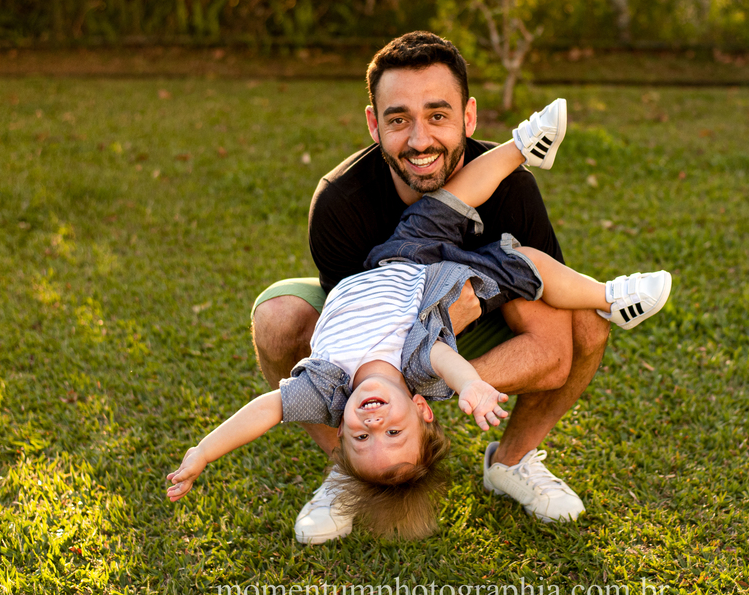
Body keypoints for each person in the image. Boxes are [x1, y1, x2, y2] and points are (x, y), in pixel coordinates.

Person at [166, 98, 671, 541]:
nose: (374, 423)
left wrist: (203, 452)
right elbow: (443, 358)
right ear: (420, 409)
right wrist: (470, 386)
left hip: (396, 259)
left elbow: (265, 410)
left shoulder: (326, 388)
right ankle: (608, 296)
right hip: (450, 282)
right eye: (394, 433)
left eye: (361, 438)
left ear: (341, 429)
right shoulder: (416, 368)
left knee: (449, 198)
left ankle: (523, 147)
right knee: (526, 264)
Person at [252, 31, 618, 544]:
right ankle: (350, 460)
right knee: (277, 317)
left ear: (468, 117)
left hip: (478, 313)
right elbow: (344, 331)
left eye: (438, 115)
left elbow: (553, 352)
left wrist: (435, 372)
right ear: (374, 124)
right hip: (376, 329)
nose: (420, 140)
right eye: (399, 119)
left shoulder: (510, 186)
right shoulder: (340, 201)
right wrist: (396, 391)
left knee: (585, 322)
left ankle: (511, 462)